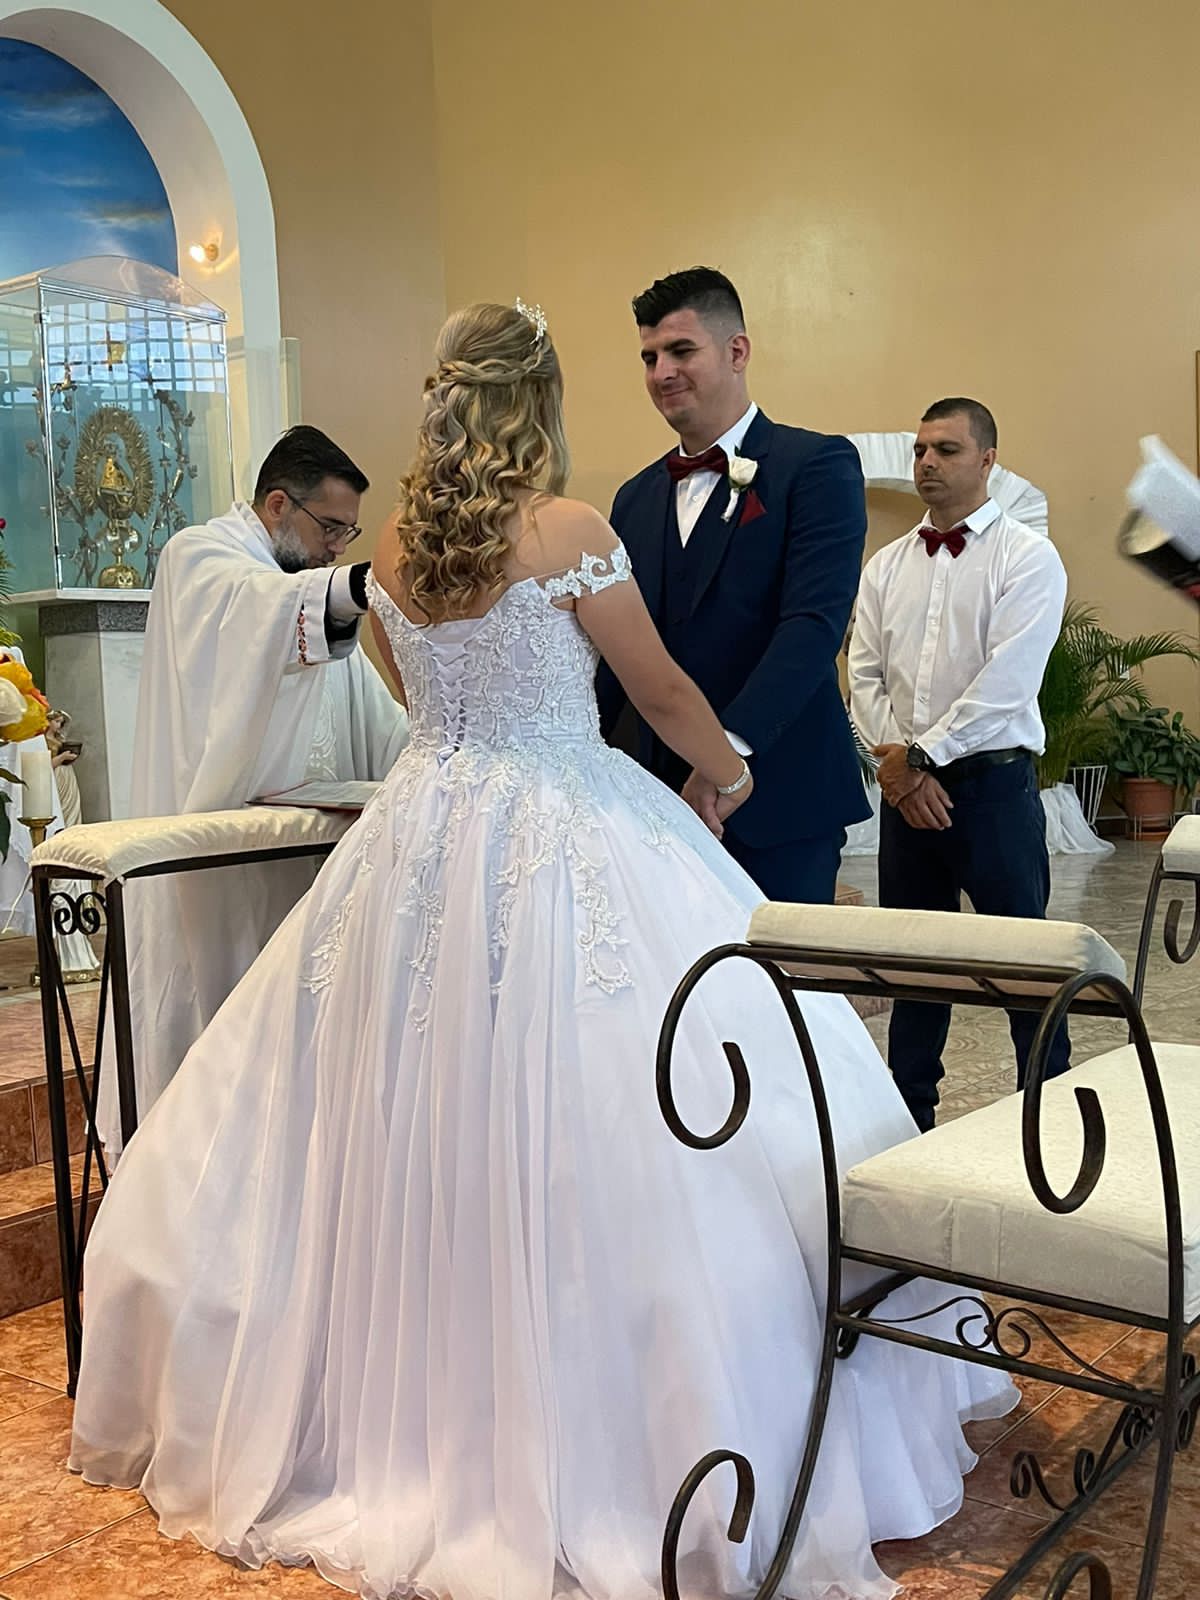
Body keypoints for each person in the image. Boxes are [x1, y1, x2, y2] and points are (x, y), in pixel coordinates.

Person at [71, 306, 1011, 1600]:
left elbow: (408, 690)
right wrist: (728, 771)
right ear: (538, 402)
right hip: (568, 813)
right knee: (629, 1089)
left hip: (421, 829)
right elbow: (659, 688)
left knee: (405, 1105)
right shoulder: (566, 529)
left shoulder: (394, 547)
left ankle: (382, 1412)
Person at [101, 426, 408, 1152]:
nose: (336, 546)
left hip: (295, 876)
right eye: (331, 528)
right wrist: (366, 582)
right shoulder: (200, 557)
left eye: (348, 533)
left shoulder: (308, 604)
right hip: (212, 877)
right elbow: (261, 610)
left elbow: (381, 722)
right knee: (207, 1060)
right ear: (277, 504)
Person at [598, 267, 869, 903]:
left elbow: (813, 628)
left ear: (737, 351)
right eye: (649, 357)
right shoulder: (633, 499)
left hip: (782, 793)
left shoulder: (817, 465)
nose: (662, 372)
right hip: (657, 798)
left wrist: (724, 756)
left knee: (778, 966)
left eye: (681, 350)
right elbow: (616, 653)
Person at [848, 398, 1069, 1131]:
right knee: (914, 970)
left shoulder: (1027, 558)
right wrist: (898, 767)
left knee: (1024, 968)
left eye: (945, 449)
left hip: (992, 789)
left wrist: (922, 756)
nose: (927, 463)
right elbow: (864, 675)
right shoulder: (885, 566)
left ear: (987, 461)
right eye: (920, 450)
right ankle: (908, 1127)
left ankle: (1051, 1123)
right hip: (906, 793)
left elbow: (1008, 680)